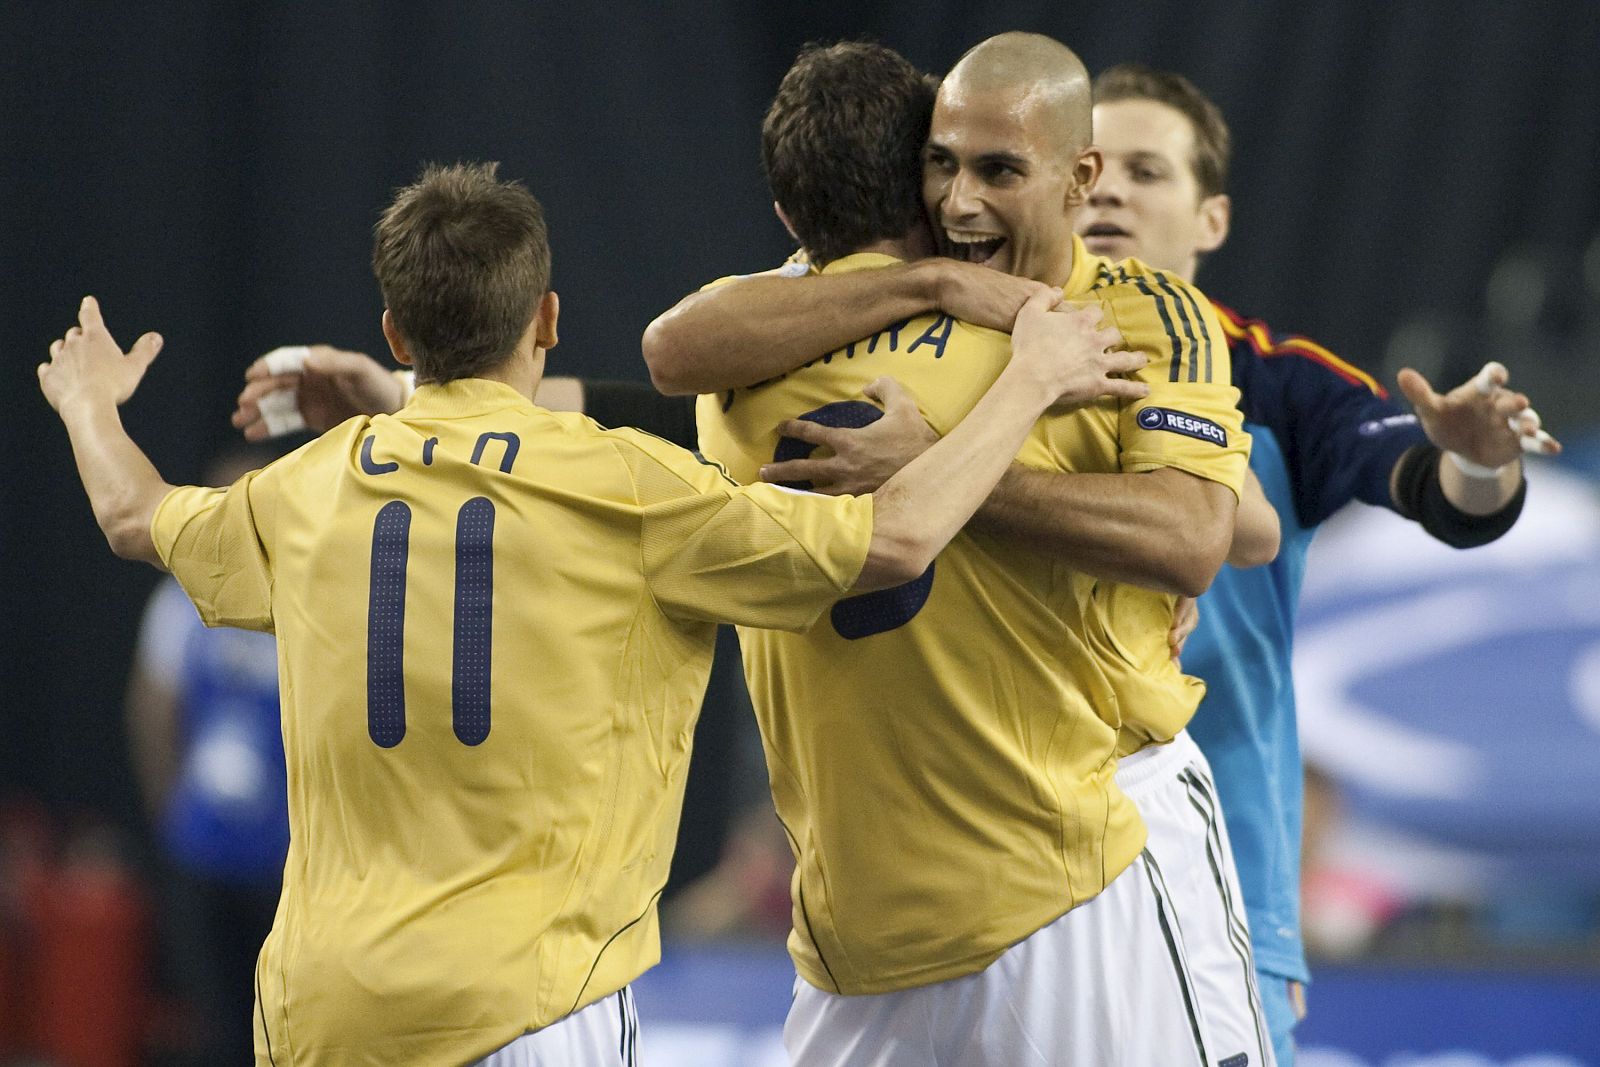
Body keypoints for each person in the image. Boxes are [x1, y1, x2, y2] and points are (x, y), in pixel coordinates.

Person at [37, 161, 1119, 1066]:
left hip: (327, 1010)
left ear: (395, 331)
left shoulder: (309, 486)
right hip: (532, 1008)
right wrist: (1026, 379)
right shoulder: (633, 488)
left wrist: (88, 403)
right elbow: (894, 539)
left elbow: (136, 515)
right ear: (547, 318)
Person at [645, 33, 1277, 1067]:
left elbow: (1201, 535)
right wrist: (937, 289)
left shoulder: (1132, 311)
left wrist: (943, 460)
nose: (963, 200)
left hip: (1087, 845)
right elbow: (672, 347)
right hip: (869, 912)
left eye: (997, 170)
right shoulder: (805, 316)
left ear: (1079, 177)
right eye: (942, 165)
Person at [1075, 63, 1553, 1063]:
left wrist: (1475, 460)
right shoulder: (978, 359)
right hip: (999, 885)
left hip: (1219, 890)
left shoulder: (1283, 385)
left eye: (1146, 171)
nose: (1110, 190)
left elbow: (1441, 495)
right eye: (1088, 168)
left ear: (1210, 218)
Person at [126, 447, 287, 1067]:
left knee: (282, 1028)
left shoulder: (300, 601)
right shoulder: (179, 604)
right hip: (204, 849)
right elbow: (152, 710)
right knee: (216, 1026)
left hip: (286, 856)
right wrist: (171, 813)